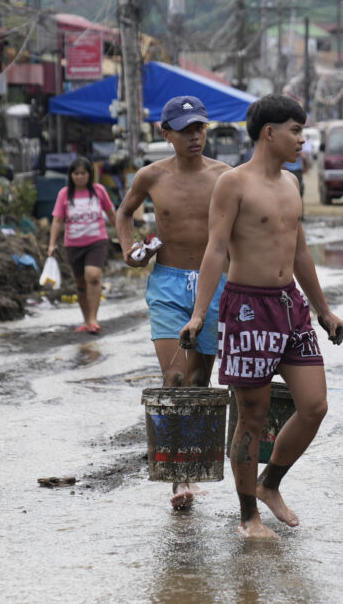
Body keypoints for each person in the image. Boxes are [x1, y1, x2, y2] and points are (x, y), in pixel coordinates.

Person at [179, 94, 343, 539]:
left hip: (290, 306)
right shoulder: (233, 183)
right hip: (248, 308)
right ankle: (247, 516)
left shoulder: (292, 184)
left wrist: (324, 310)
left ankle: (270, 484)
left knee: (314, 406)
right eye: (295, 130)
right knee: (252, 417)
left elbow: (301, 251)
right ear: (269, 132)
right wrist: (199, 316)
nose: (301, 140)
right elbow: (215, 250)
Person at [115, 95, 230, 510]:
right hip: (166, 282)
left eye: (199, 128)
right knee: (175, 379)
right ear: (166, 134)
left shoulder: (225, 176)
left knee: (200, 382)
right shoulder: (150, 176)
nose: (194, 137)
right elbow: (124, 213)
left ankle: (194, 465)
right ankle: (177, 478)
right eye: (185, 130)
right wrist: (130, 250)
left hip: (214, 285)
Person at [48, 157, 116, 334]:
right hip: (73, 245)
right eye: (76, 173)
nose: (79, 177)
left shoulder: (98, 191)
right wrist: (51, 245)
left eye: (83, 173)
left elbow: (112, 214)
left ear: (89, 174)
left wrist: (124, 237)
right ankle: (86, 320)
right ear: (71, 175)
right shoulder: (64, 194)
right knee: (80, 283)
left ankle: (94, 319)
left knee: (92, 276)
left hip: (97, 241)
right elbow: (57, 221)